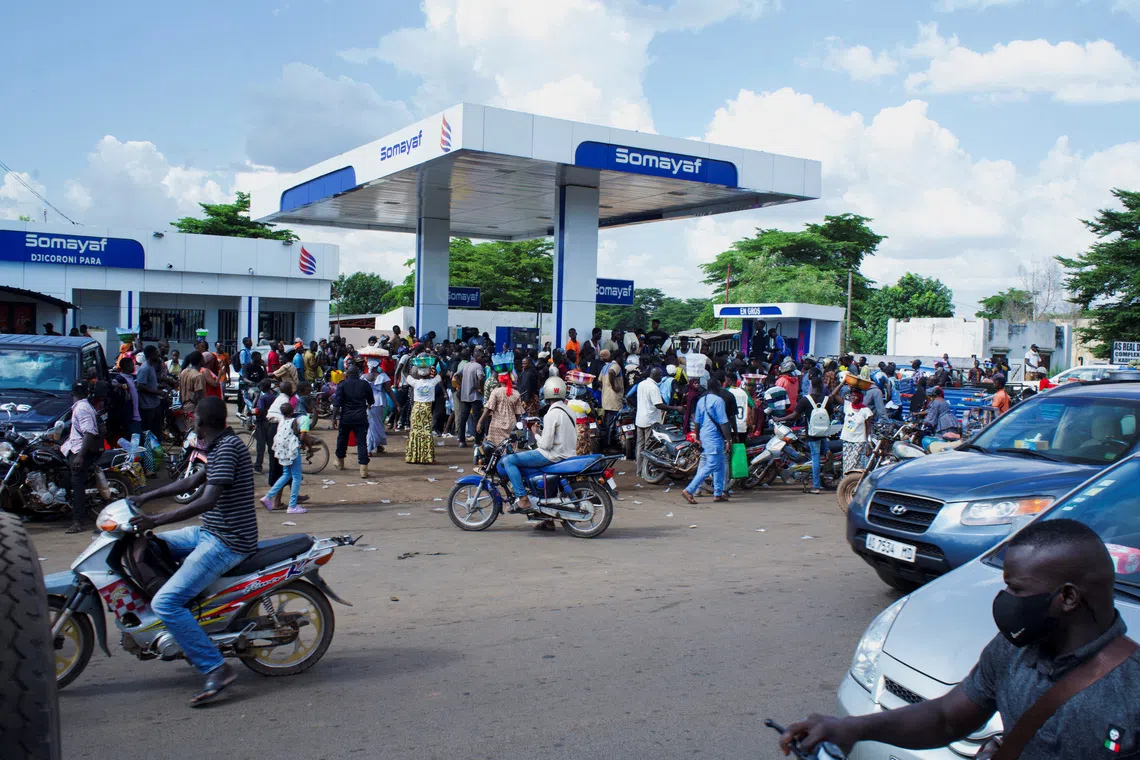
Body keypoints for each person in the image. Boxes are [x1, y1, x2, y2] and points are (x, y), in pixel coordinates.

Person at [779, 518, 1140, 759]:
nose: (1005, 601)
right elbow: (947, 718)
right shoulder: (1014, 649)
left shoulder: (1130, 689)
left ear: (1069, 598)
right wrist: (851, 728)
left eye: (1016, 589)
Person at [127, 396, 256, 706]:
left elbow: (205, 500)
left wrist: (155, 518)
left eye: (193, 416)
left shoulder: (227, 449)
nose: (190, 420)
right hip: (210, 532)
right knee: (152, 543)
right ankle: (190, 622)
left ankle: (216, 667)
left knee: (167, 602)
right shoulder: (220, 443)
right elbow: (195, 480)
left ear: (200, 422)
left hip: (227, 541)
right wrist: (145, 497)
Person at [500, 376, 576, 519]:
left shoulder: (551, 414)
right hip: (568, 453)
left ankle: (522, 498)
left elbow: (546, 445)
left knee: (509, 461)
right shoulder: (569, 411)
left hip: (552, 455)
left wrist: (535, 434)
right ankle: (545, 518)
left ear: (546, 394)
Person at [62, 381, 108, 534]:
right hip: (75, 447)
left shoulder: (81, 408)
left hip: (82, 450)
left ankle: (78, 522)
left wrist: (80, 456)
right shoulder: (85, 406)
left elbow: (89, 432)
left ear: (72, 394)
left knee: (77, 485)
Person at [778, 377, 837, 494]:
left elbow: (794, 415)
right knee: (824, 451)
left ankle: (816, 486)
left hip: (812, 433)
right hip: (823, 433)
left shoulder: (806, 400)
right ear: (821, 386)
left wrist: (779, 419)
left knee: (815, 458)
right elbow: (831, 414)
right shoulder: (827, 400)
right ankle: (828, 461)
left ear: (811, 386)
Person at [681, 375, 731, 505]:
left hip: (705, 434)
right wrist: (729, 439)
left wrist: (698, 437)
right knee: (712, 465)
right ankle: (689, 489)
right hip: (715, 437)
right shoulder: (718, 401)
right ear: (718, 386)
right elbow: (724, 422)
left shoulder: (701, 401)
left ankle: (718, 493)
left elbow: (697, 421)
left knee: (719, 465)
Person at [261, 402, 309, 514]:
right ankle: (292, 506)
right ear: (292, 412)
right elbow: (300, 435)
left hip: (282, 451)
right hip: (292, 450)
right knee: (296, 477)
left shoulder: (281, 421)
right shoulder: (294, 421)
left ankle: (268, 497)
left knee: (286, 475)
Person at [332, 363, 374, 478]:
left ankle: (340, 462)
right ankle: (363, 469)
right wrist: (369, 404)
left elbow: (337, 403)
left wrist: (334, 418)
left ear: (347, 374)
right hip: (361, 417)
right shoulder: (364, 384)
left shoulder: (342, 384)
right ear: (358, 373)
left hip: (346, 418)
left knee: (342, 439)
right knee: (361, 442)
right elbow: (371, 400)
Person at [635, 367, 676, 478]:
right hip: (650, 421)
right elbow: (659, 404)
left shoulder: (642, 384)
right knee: (649, 448)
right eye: (660, 375)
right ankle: (645, 472)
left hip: (640, 419)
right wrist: (675, 408)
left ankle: (639, 471)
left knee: (640, 446)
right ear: (655, 375)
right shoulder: (653, 388)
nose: (661, 377)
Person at [406, 363, 442, 463]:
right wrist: (436, 362)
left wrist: (408, 360)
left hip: (416, 408)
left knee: (415, 431)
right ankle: (427, 457)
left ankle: (413, 457)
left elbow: (405, 372)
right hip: (426, 408)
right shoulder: (432, 382)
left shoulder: (415, 382)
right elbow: (441, 374)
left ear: (419, 374)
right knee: (426, 432)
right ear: (428, 373)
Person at [479, 372, 524, 445]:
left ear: (499, 380)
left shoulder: (496, 392)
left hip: (496, 426)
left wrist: (480, 422)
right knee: (510, 448)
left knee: (495, 449)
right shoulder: (516, 393)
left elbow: (488, 409)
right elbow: (518, 413)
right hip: (511, 425)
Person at [456, 349, 485, 447]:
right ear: (477, 357)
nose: (482, 358)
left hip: (465, 396)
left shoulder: (466, 365)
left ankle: (461, 441)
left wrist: (462, 386)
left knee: (463, 418)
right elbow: (480, 378)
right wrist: (480, 388)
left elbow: (456, 375)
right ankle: (477, 442)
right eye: (480, 356)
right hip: (475, 396)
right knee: (477, 419)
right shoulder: (478, 366)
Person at [840, 389, 873, 474]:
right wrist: (843, 383)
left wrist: (868, 442)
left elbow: (868, 428)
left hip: (859, 441)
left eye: (855, 396)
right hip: (847, 440)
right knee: (846, 464)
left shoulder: (865, 410)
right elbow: (833, 395)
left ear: (860, 398)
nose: (853, 398)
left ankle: (854, 481)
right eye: (852, 396)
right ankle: (847, 483)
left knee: (854, 463)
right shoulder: (848, 406)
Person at [364, 359, 391, 455]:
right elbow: (389, 391)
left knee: (371, 426)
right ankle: (369, 448)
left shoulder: (364, 376)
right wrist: (396, 403)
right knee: (377, 425)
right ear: (377, 366)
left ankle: (374, 446)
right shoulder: (383, 376)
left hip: (368, 402)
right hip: (380, 402)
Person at [600, 349, 625, 449]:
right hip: (614, 400)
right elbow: (611, 373)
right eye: (622, 357)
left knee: (607, 423)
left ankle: (607, 444)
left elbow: (600, 381)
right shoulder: (616, 366)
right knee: (611, 424)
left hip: (606, 400)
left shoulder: (605, 366)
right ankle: (608, 445)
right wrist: (614, 387)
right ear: (618, 358)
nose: (624, 359)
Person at [178, 352, 206, 432]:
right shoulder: (198, 376)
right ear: (200, 361)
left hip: (184, 406)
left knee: (187, 432)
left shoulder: (184, 372)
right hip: (193, 408)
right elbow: (199, 396)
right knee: (195, 433)